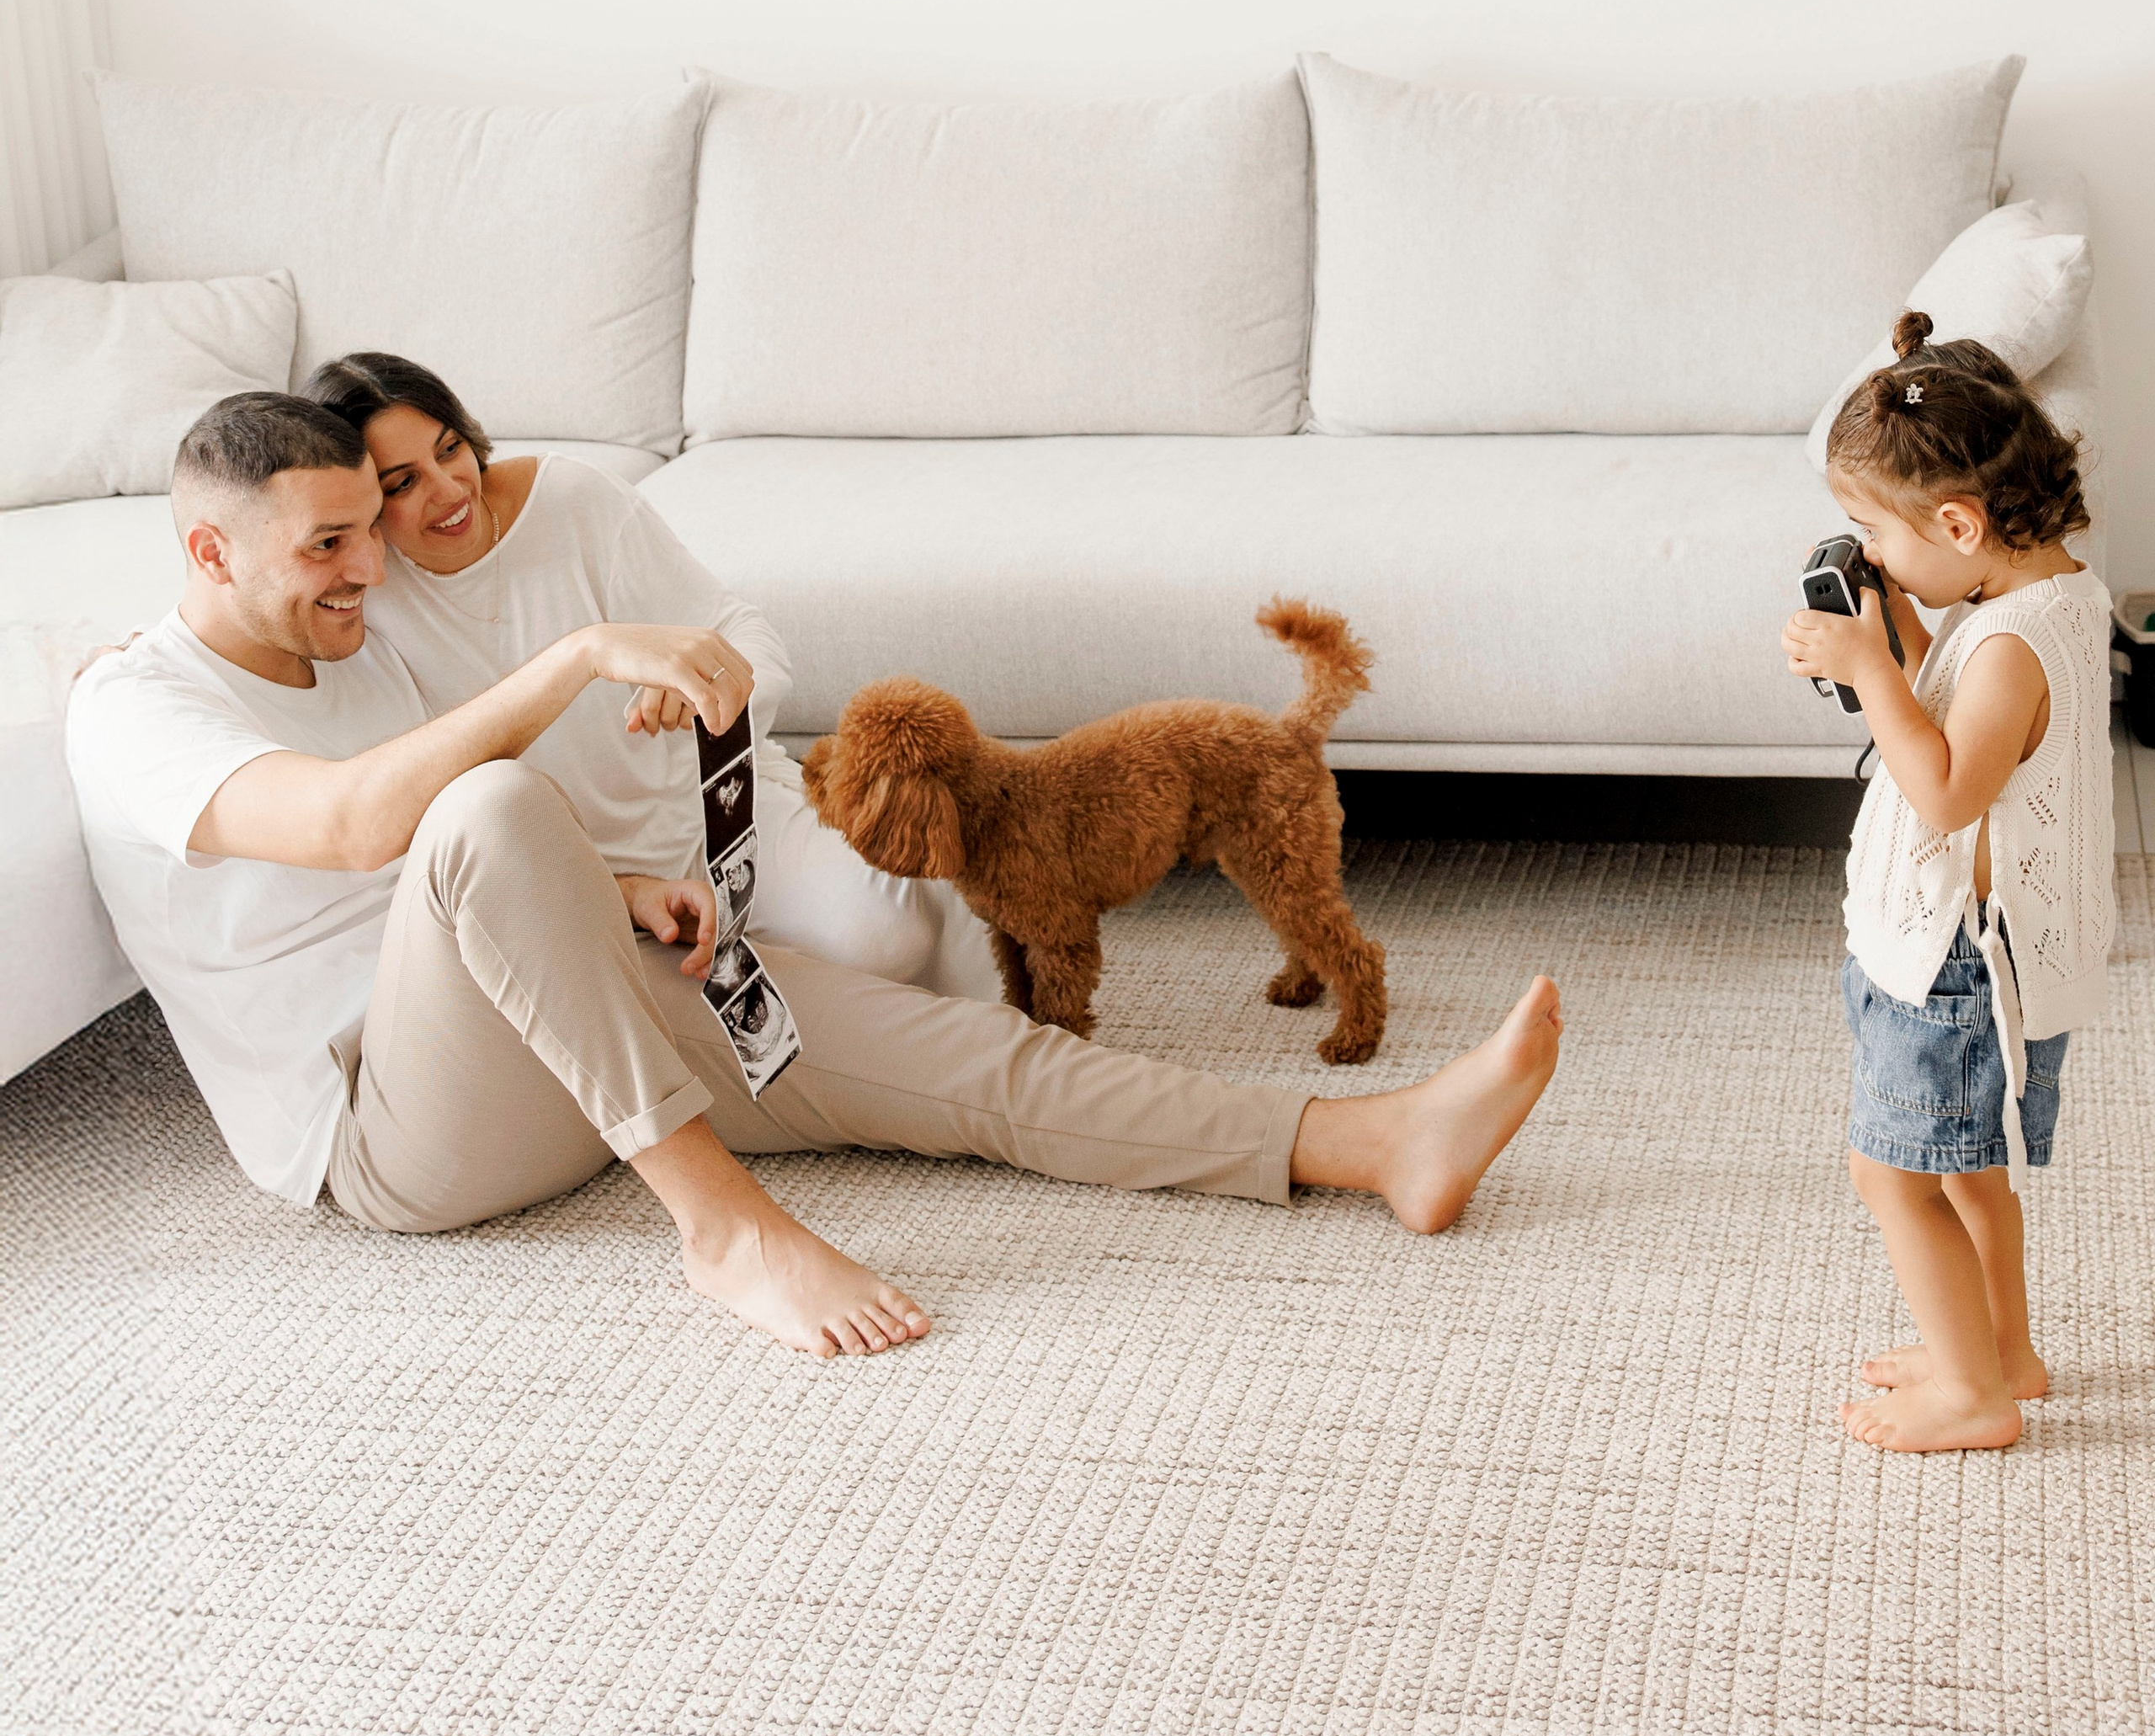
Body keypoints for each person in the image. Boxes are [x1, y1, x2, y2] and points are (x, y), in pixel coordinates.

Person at [69, 391, 1564, 1360]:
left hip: (563, 1034)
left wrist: (610, 897)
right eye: (326, 544)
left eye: (367, 534)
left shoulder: (359, 640)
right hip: (396, 1135)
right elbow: (353, 832)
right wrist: (585, 653)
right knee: (484, 804)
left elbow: (490, 868)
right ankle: (722, 1229)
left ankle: (1371, 1143)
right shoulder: (137, 709)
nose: (367, 569)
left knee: (959, 1056)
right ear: (206, 549)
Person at [302, 349, 999, 1002]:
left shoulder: (569, 501)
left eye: (450, 448)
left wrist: (706, 674)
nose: (449, 487)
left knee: (892, 934)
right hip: (587, 894)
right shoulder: (365, 601)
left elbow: (746, 634)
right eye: (404, 483)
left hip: (722, 817)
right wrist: (624, 889)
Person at [1782, 311, 2114, 1452]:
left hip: (1955, 968)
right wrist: (1910, 645)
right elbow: (1974, 725)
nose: (1868, 555)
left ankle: (1974, 1398)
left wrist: (1870, 666)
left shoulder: (2015, 645)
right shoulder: (2042, 603)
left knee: (1897, 1177)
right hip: (1974, 950)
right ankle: (2003, 1353)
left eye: (1872, 532)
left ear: (1962, 522)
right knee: (1967, 1172)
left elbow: (1948, 790)